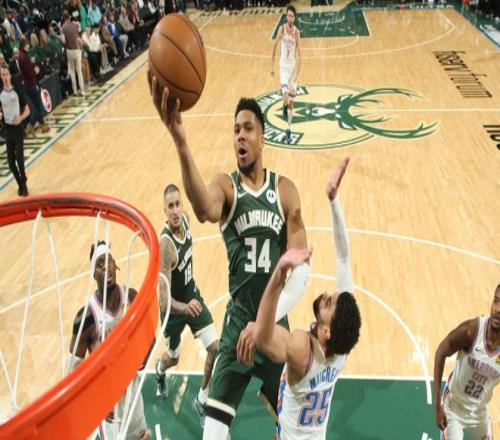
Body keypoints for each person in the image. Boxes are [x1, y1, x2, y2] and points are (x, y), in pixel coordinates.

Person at [149, 75, 311, 439]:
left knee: (296, 428)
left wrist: (264, 323)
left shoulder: (285, 191)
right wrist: (181, 142)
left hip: (274, 326)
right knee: (213, 431)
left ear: (262, 138)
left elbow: (301, 273)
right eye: (236, 129)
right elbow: (202, 208)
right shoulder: (226, 186)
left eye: (248, 128)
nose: (240, 135)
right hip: (237, 325)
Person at [237, 157, 361, 439]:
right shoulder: (342, 347)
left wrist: (280, 272)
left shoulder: (301, 349)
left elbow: (264, 335)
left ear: (327, 332)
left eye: (328, 303)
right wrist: (333, 199)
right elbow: (343, 257)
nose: (326, 294)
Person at [68, 241, 148, 439]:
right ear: (93, 274)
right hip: (108, 403)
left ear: (115, 264)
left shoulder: (131, 297)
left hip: (132, 391)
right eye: (99, 264)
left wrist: (144, 355)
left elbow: (148, 332)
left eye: (108, 261)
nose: (105, 267)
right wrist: (95, 403)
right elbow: (73, 375)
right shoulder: (86, 318)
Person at [155, 184, 219, 425]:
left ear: (183, 205)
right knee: (173, 358)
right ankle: (159, 371)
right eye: (170, 206)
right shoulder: (166, 246)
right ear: (164, 210)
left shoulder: (188, 221)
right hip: (173, 312)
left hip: (192, 296)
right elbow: (163, 302)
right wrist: (184, 308)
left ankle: (201, 399)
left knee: (216, 349)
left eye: (178, 204)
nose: (175, 211)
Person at [433, 284, 500, 440]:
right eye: (496, 301)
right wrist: (437, 405)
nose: (498, 309)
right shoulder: (471, 331)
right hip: (453, 409)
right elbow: (441, 352)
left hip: (479, 412)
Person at [271, 4, 301, 145]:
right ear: (286, 16)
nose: (290, 18)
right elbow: (274, 46)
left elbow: (300, 56)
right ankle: (284, 106)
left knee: (291, 104)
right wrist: (272, 66)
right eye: (288, 15)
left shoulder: (297, 33)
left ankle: (288, 129)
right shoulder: (282, 29)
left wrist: (297, 74)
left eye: (292, 16)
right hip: (283, 68)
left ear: (294, 18)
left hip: (292, 70)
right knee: (285, 94)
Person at [0, 65, 30, 196]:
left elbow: (27, 110)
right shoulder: (0, 93)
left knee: (20, 160)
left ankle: (24, 185)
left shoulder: (17, 91)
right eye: (3, 75)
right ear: (1, 77)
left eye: (7, 74)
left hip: (18, 129)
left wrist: (21, 118)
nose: (5, 77)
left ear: (10, 76)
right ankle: (20, 183)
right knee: (11, 163)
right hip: (7, 130)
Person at [61, 10, 85, 97]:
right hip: (77, 50)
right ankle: (82, 90)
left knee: (72, 71)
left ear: (63, 17)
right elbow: (78, 34)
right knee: (79, 71)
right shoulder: (75, 24)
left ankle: (75, 91)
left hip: (69, 51)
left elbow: (63, 41)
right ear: (69, 17)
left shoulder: (63, 27)